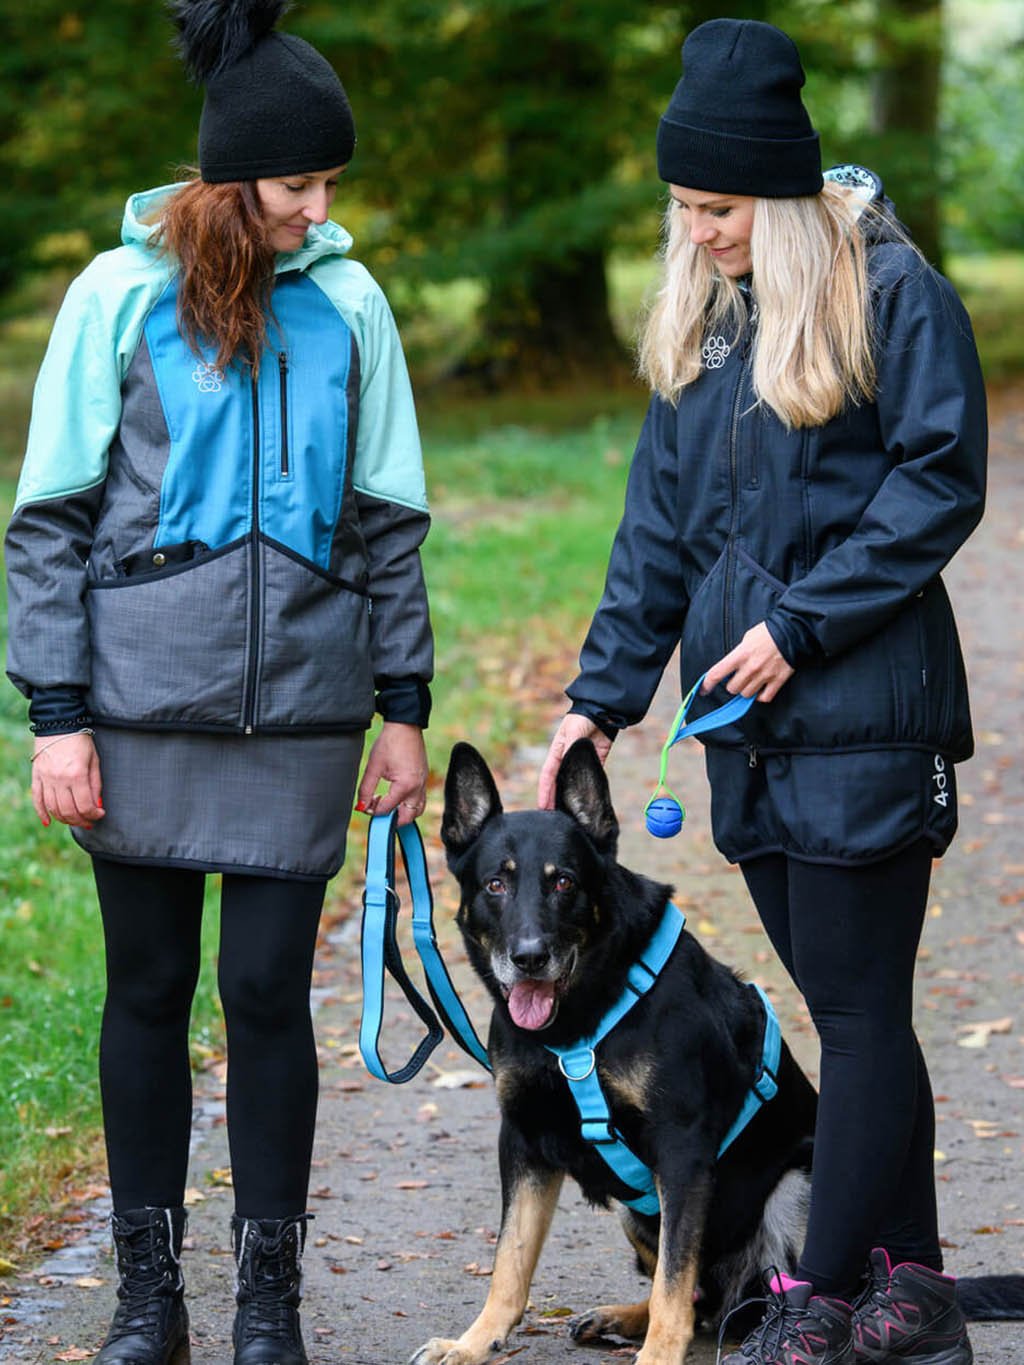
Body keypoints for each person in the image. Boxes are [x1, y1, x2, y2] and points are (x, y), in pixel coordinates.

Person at [538, 19, 985, 1365]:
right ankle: (915, 1291)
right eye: (682, 206)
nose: (700, 231)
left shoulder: (890, 292)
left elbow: (938, 481)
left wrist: (801, 621)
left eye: (719, 207)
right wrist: (597, 700)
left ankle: (828, 1294)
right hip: (753, 737)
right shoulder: (707, 325)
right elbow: (658, 540)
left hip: (865, 713)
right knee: (853, 1019)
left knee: (855, 1016)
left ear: (781, 198)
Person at [4, 3, 433, 1362]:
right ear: (233, 176)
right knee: (143, 989)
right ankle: (149, 1300)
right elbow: (51, 523)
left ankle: (266, 1304)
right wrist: (57, 719)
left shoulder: (353, 307)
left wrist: (407, 710)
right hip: (136, 712)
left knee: (262, 993)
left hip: (305, 712)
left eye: (328, 186)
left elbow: (385, 523)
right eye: (301, 185)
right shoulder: (114, 299)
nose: (319, 210)